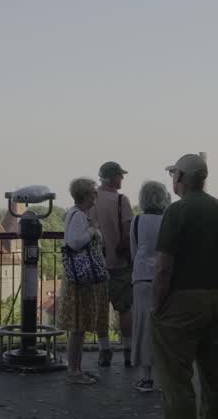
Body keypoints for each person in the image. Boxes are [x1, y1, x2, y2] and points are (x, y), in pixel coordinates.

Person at [147, 153, 218, 419]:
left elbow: (163, 266)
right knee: (215, 379)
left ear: (181, 177)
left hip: (181, 302)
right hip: (216, 299)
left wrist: (158, 305)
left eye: (174, 174)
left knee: (176, 381)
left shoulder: (177, 211)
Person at [59, 177, 109, 385]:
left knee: (79, 326)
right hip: (81, 279)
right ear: (87, 195)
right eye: (94, 192)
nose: (96, 196)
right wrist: (92, 230)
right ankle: (74, 370)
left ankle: (77, 368)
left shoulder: (76, 214)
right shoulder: (79, 216)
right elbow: (74, 242)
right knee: (78, 327)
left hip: (80, 278)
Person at [129, 180, 170, 393]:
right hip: (164, 278)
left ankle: (146, 377)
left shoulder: (137, 221)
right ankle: (166, 377)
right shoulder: (168, 221)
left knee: (143, 326)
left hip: (142, 279)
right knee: (164, 327)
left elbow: (134, 251)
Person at [92, 161, 134, 367]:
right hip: (119, 263)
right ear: (112, 178)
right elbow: (128, 232)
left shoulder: (91, 198)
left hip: (97, 263)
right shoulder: (121, 200)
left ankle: (104, 350)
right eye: (120, 175)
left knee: (100, 309)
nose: (122, 179)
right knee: (124, 309)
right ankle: (128, 351)